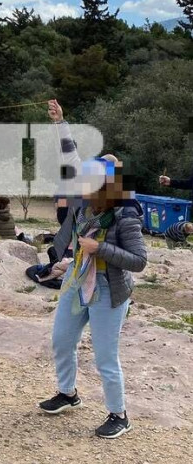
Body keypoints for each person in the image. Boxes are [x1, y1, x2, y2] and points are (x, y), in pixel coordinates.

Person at [38, 99, 147, 439]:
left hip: (108, 289)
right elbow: (71, 157)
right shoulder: (84, 201)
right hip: (76, 279)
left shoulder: (126, 215)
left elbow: (139, 261)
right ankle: (68, 393)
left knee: (104, 357)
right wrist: (60, 122)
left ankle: (119, 415)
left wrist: (100, 249)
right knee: (61, 340)